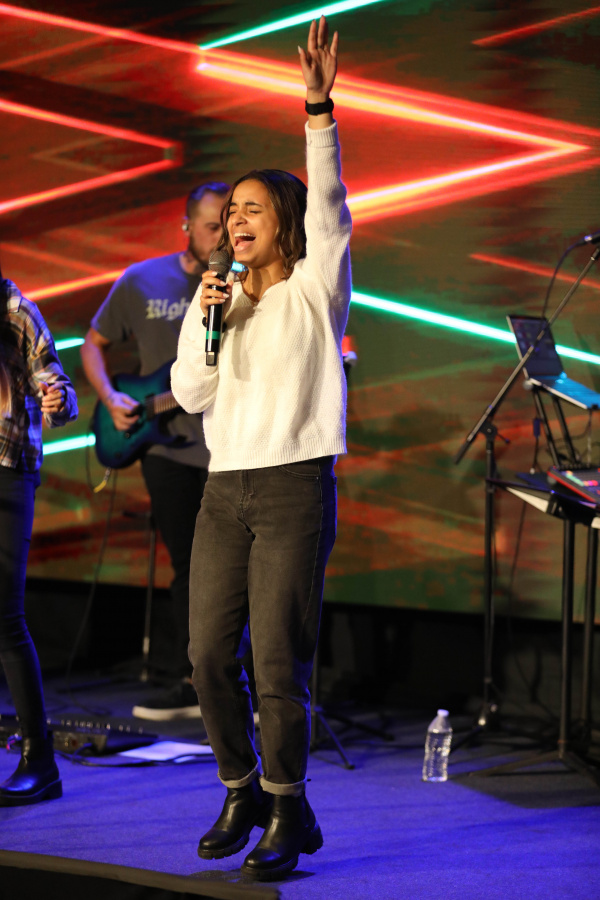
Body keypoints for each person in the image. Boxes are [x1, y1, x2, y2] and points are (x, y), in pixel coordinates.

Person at [171, 17, 350, 881]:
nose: (233, 221)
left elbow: (331, 204)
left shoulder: (315, 289)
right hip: (224, 490)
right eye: (226, 214)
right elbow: (190, 394)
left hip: (290, 487)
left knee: (278, 658)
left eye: (249, 209)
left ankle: (286, 803)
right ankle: (243, 789)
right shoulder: (219, 300)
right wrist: (211, 324)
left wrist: (317, 108)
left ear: (284, 221)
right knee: (208, 654)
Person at [80, 181, 229, 721]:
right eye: (210, 227)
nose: (220, 237)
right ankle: (193, 682)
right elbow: (93, 345)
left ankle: (238, 681)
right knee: (186, 564)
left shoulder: (243, 283)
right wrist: (110, 397)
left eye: (227, 225)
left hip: (226, 448)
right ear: (186, 226)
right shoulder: (142, 279)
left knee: (231, 568)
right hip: (164, 448)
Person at [0, 269, 78, 806]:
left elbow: (59, 389)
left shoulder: (16, 312)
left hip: (7, 468)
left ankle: (39, 757)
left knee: (5, 616)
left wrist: (58, 401)